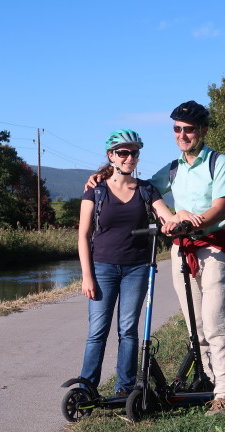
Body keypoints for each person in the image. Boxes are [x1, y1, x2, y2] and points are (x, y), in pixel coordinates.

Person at [85, 101, 225, 415]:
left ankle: (224, 393)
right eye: (177, 129)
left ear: (203, 131)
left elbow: (221, 208)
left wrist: (192, 220)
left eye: (189, 129)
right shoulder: (173, 169)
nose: (183, 135)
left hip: (213, 248)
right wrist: (100, 175)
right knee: (194, 327)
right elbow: (136, 184)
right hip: (183, 252)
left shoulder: (219, 163)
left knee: (213, 323)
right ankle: (207, 380)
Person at [78, 129, 176, 397]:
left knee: (128, 330)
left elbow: (166, 217)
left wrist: (184, 218)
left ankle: (125, 389)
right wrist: (87, 275)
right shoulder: (95, 190)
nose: (129, 157)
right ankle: (86, 389)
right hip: (102, 268)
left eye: (134, 152)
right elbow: (83, 235)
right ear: (111, 156)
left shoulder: (146, 189)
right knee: (97, 331)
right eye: (123, 152)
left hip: (137, 269)